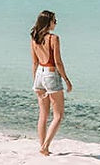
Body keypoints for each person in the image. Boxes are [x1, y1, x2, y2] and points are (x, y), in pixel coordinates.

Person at [30, 10, 73, 155]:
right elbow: (58, 62)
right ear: (48, 22)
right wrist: (67, 80)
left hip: (39, 75)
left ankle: (42, 146)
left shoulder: (34, 38)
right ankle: (45, 147)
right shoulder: (53, 38)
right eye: (54, 20)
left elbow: (34, 62)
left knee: (43, 115)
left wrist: (35, 82)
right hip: (50, 74)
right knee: (58, 115)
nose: (56, 23)